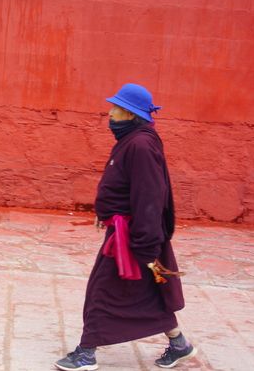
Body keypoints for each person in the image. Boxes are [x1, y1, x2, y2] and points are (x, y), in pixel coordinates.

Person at [55, 83, 197, 370]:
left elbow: (150, 196)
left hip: (134, 238)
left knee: (102, 292)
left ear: (131, 115)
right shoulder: (133, 140)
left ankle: (86, 353)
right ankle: (179, 343)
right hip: (128, 233)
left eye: (117, 110)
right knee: (148, 293)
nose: (110, 113)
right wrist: (105, 212)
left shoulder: (141, 145)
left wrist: (145, 245)